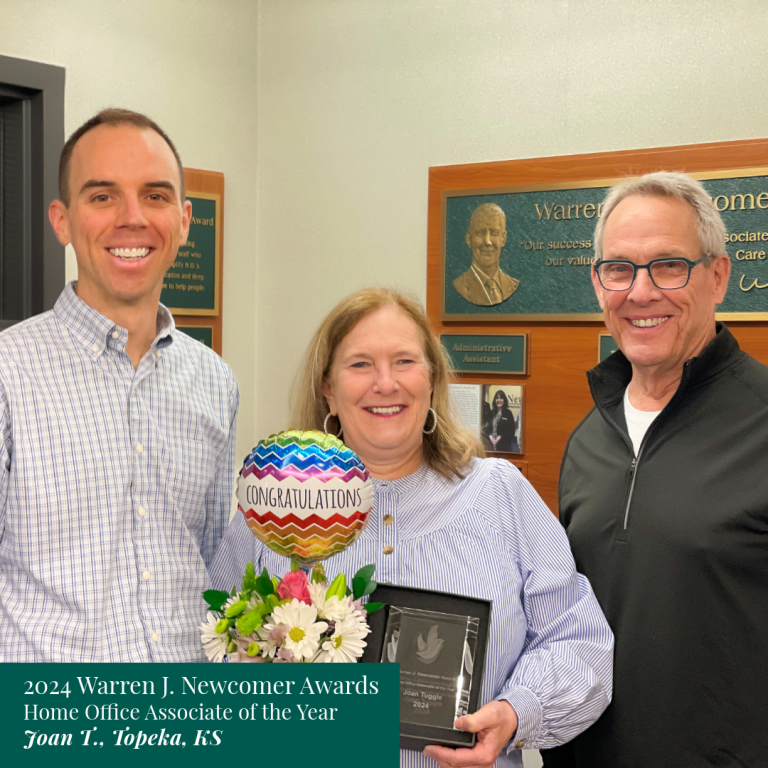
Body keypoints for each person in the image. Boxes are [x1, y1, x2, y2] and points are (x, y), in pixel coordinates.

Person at [211, 288, 612, 768]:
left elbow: (579, 642)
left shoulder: (500, 494)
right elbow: (210, 644)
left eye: (404, 361)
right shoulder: (273, 509)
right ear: (327, 390)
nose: (385, 383)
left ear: (432, 379)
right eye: (360, 365)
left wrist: (515, 712)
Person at [541, 172, 768, 767]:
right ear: (598, 284)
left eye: (668, 265)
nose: (641, 293)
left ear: (717, 276)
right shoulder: (589, 440)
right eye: (619, 269)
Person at [0, 109, 239, 662]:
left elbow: (209, 564)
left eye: (154, 196)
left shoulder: (214, 381)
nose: (132, 218)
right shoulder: (9, 373)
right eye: (102, 196)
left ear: (183, 221)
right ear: (61, 221)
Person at [453, 203, 519, 305]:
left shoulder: (513, 285)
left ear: (503, 238)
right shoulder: (459, 285)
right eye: (480, 233)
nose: (487, 241)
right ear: (469, 239)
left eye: (494, 233)